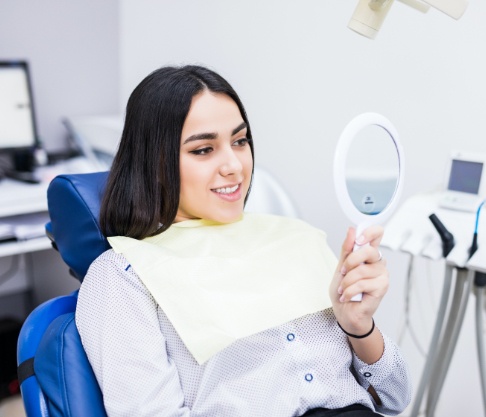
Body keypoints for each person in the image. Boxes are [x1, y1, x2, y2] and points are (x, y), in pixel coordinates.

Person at [76, 65, 412, 417]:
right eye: (204, 150)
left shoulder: (295, 238)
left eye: (239, 141)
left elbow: (394, 398)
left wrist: (359, 328)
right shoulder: (124, 274)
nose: (235, 165)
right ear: (155, 163)